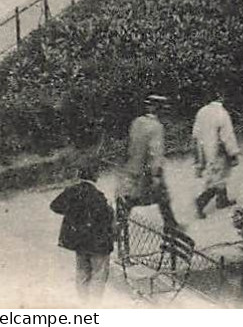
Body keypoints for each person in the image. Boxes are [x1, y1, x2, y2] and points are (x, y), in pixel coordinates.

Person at [117, 94, 181, 256]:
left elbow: (129, 146)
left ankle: (119, 237)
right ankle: (170, 238)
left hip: (132, 170)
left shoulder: (137, 122)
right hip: (147, 174)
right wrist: (156, 176)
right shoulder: (156, 127)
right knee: (163, 201)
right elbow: (155, 153)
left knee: (128, 204)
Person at [50, 164, 115, 301]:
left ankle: (83, 303)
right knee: (98, 274)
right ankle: (95, 306)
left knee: (82, 273)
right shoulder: (98, 196)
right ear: (95, 177)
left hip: (79, 241)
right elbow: (107, 218)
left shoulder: (72, 191)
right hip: (98, 243)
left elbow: (55, 206)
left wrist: (73, 214)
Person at [191, 94, 240, 219]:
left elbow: (195, 134)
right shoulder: (222, 113)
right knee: (219, 177)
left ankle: (222, 199)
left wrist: (198, 156)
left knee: (217, 175)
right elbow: (227, 136)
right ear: (221, 98)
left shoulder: (201, 112)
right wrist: (233, 152)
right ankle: (201, 202)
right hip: (218, 150)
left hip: (204, 149)